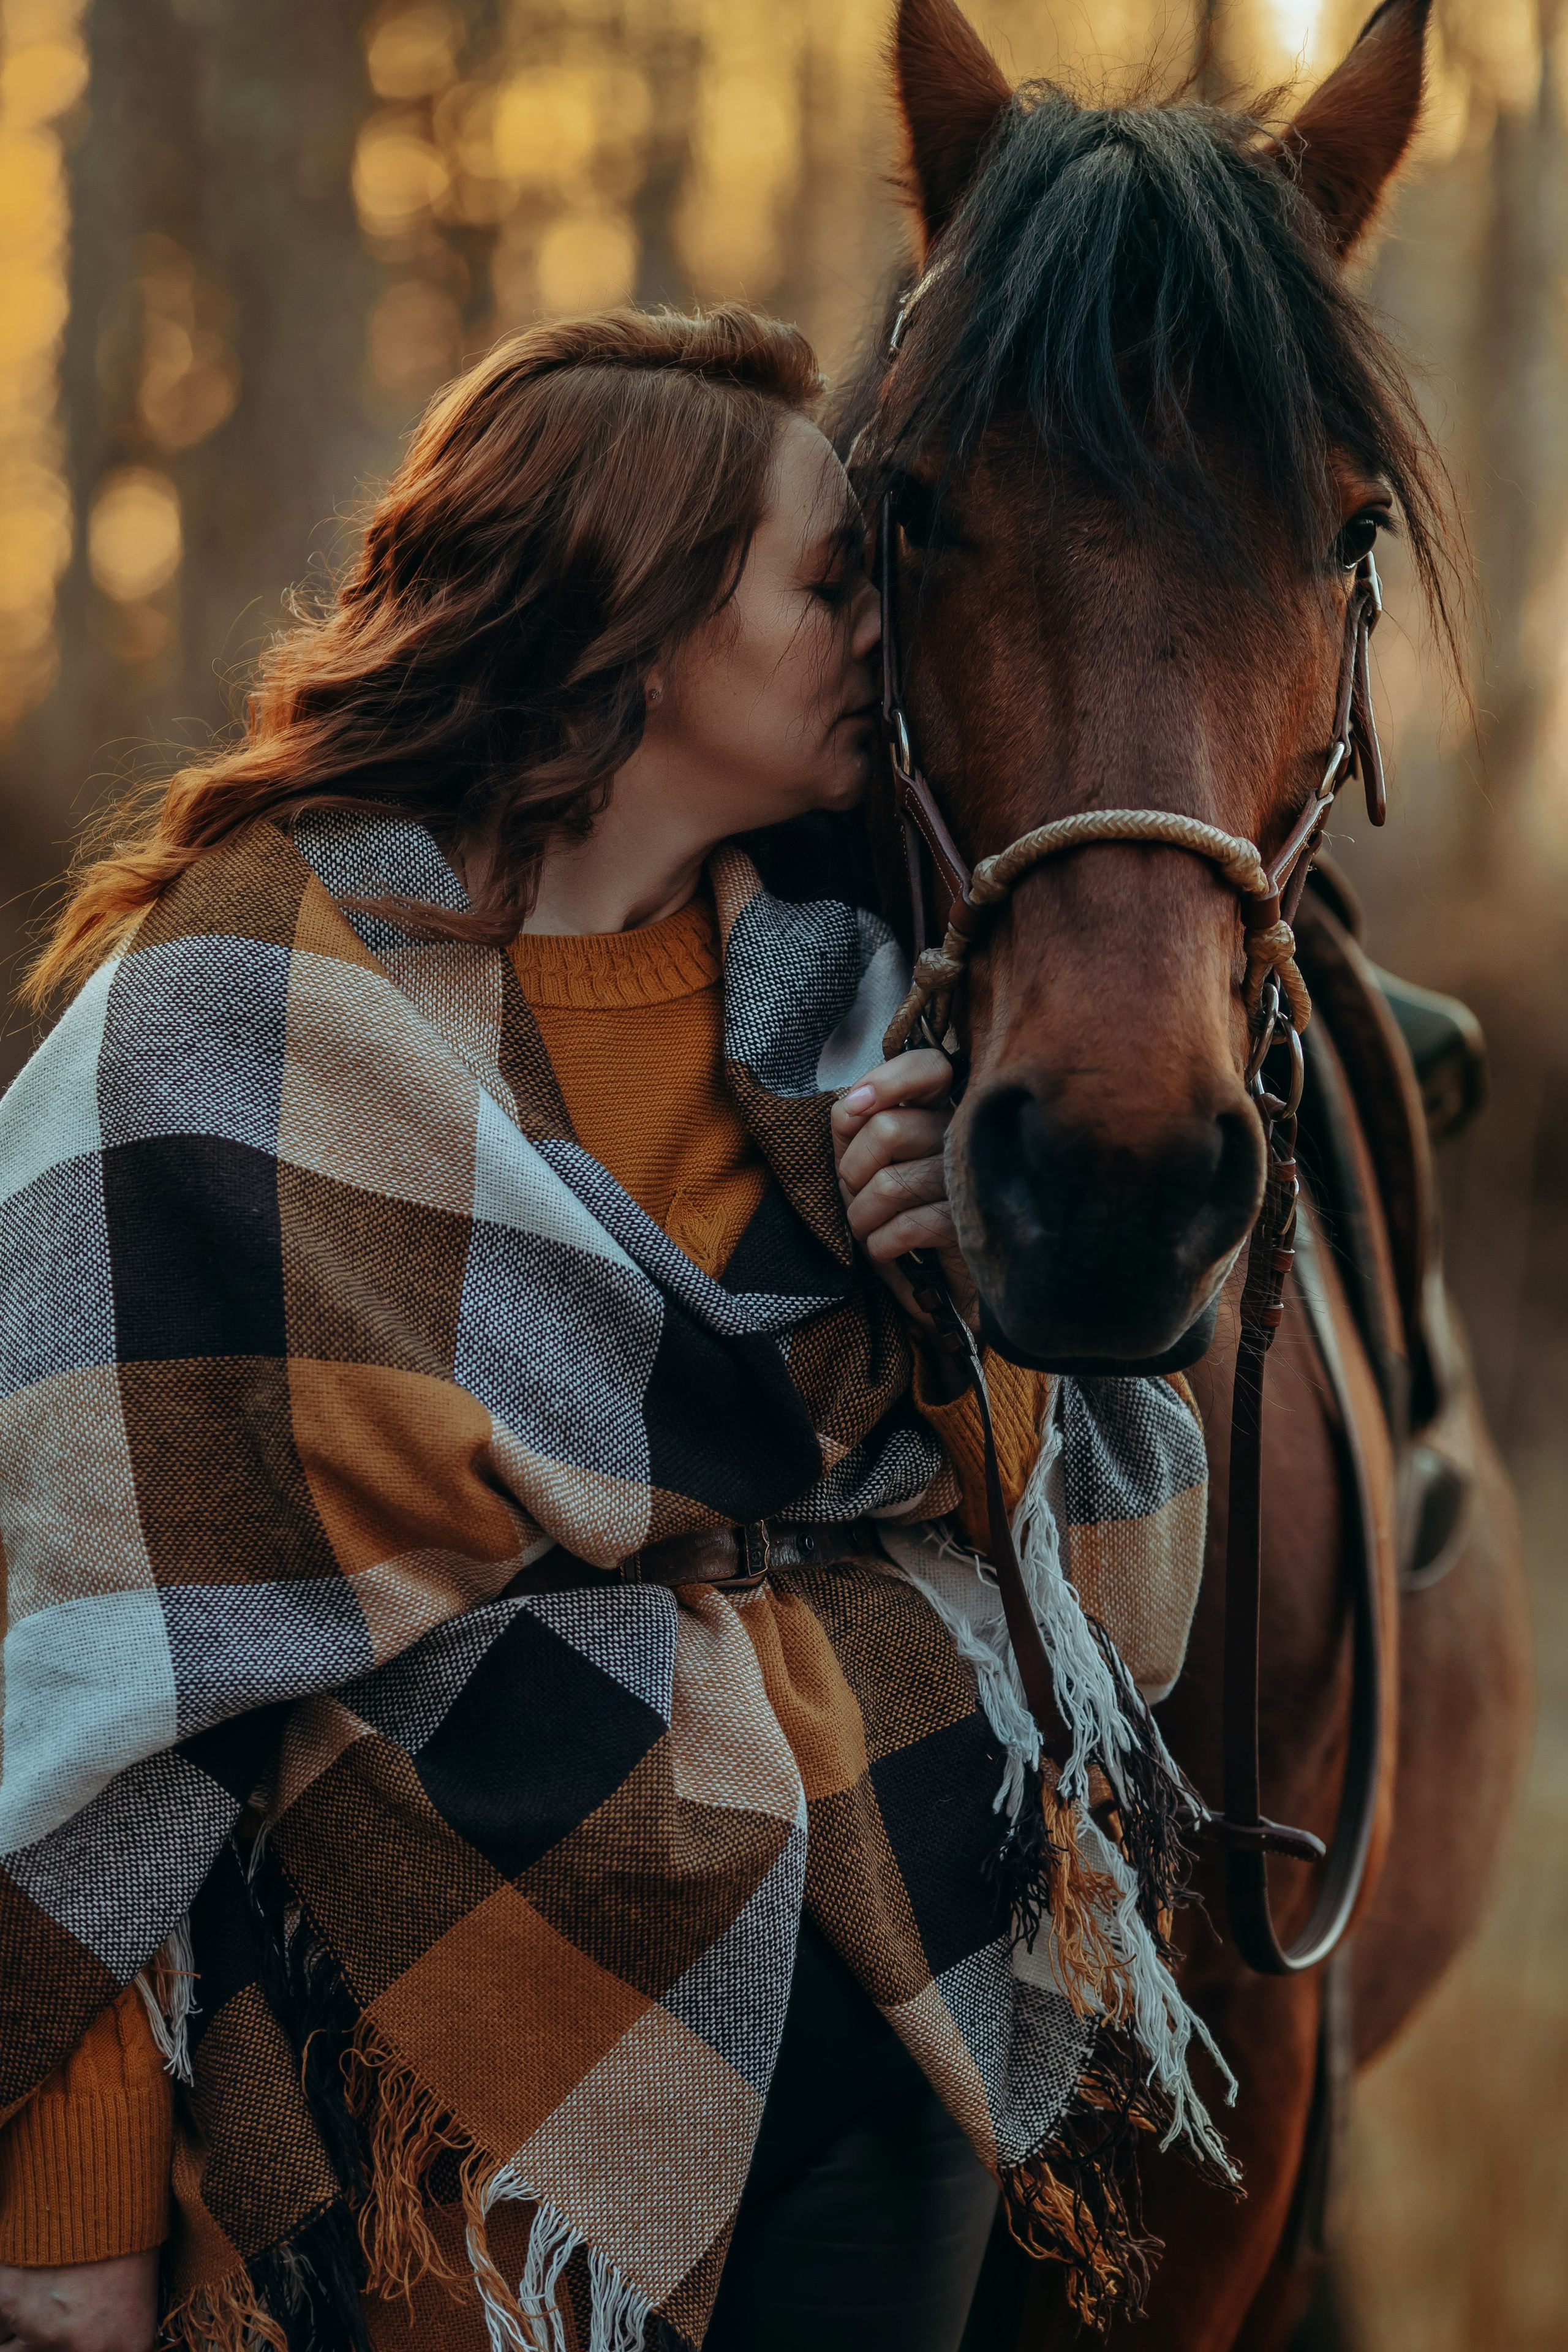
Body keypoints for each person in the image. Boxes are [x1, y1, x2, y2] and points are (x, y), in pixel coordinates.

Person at [0, 303, 1224, 2352]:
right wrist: (69, 2215)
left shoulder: (866, 1026)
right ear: (630, 621)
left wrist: (973, 1314)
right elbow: (79, 1662)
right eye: (832, 581)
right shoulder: (224, 1025)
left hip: (891, 2008)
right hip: (423, 2056)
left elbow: (1081, 1580)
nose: (881, 633)